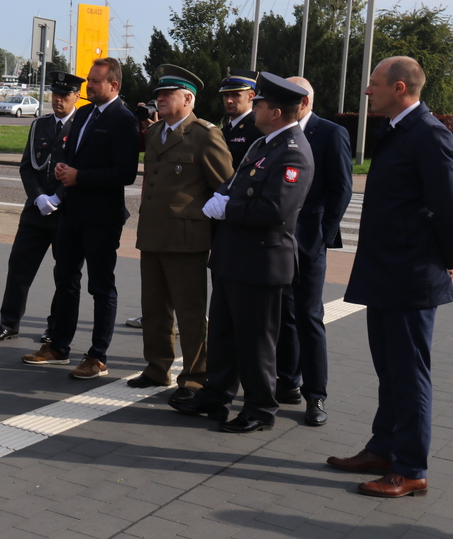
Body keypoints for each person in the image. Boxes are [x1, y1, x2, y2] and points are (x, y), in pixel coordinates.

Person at [328, 56, 453, 498]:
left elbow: (447, 204)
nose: (367, 91)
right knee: (389, 369)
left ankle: (411, 468)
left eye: (374, 84)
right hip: (386, 271)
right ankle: (383, 448)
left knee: (409, 374)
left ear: (399, 88)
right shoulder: (400, 130)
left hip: (410, 276)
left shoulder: (429, 135)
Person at [171, 72, 313, 433]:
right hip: (234, 257)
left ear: (276, 113)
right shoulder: (263, 144)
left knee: (256, 342)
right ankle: (216, 395)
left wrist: (226, 209)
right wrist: (221, 195)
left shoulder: (294, 151)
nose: (256, 108)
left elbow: (273, 210)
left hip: (261, 262)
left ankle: (260, 409)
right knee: (223, 333)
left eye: (261, 104)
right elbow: (235, 183)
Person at [22, 57, 140, 379]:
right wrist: (64, 169)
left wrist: (80, 176)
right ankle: (59, 346)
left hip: (102, 218)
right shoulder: (86, 113)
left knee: (101, 287)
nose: (89, 86)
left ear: (113, 85)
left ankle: (97, 356)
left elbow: (125, 173)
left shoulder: (123, 120)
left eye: (96, 81)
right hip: (72, 212)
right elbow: (72, 155)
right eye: (89, 80)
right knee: (66, 279)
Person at [128, 65, 234, 405]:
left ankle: (195, 376)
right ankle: (157, 367)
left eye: (166, 95)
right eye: (158, 95)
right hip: (153, 234)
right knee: (154, 308)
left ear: (188, 99)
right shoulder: (156, 131)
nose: (159, 99)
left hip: (187, 239)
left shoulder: (204, 134)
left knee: (189, 314)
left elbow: (225, 186)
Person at [275, 77, 352, 426]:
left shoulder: (330, 133)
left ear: (304, 101)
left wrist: (323, 234)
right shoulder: (277, 132)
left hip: (310, 242)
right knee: (284, 313)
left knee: (309, 316)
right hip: (278, 240)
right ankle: (287, 381)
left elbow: (342, 189)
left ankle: (315, 395)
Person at [0, 72, 83, 344]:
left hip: (65, 212)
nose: (58, 100)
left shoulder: (81, 126)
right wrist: (38, 197)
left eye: (65, 95)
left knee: (64, 273)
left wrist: (58, 197)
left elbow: (81, 168)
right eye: (55, 94)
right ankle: (8, 323)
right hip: (36, 211)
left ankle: (54, 327)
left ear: (76, 96)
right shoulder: (40, 125)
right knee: (19, 267)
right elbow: (27, 167)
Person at [220, 67, 264, 169]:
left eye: (236, 95)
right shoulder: (223, 131)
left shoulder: (258, 129)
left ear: (251, 96)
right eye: (226, 95)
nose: (229, 101)